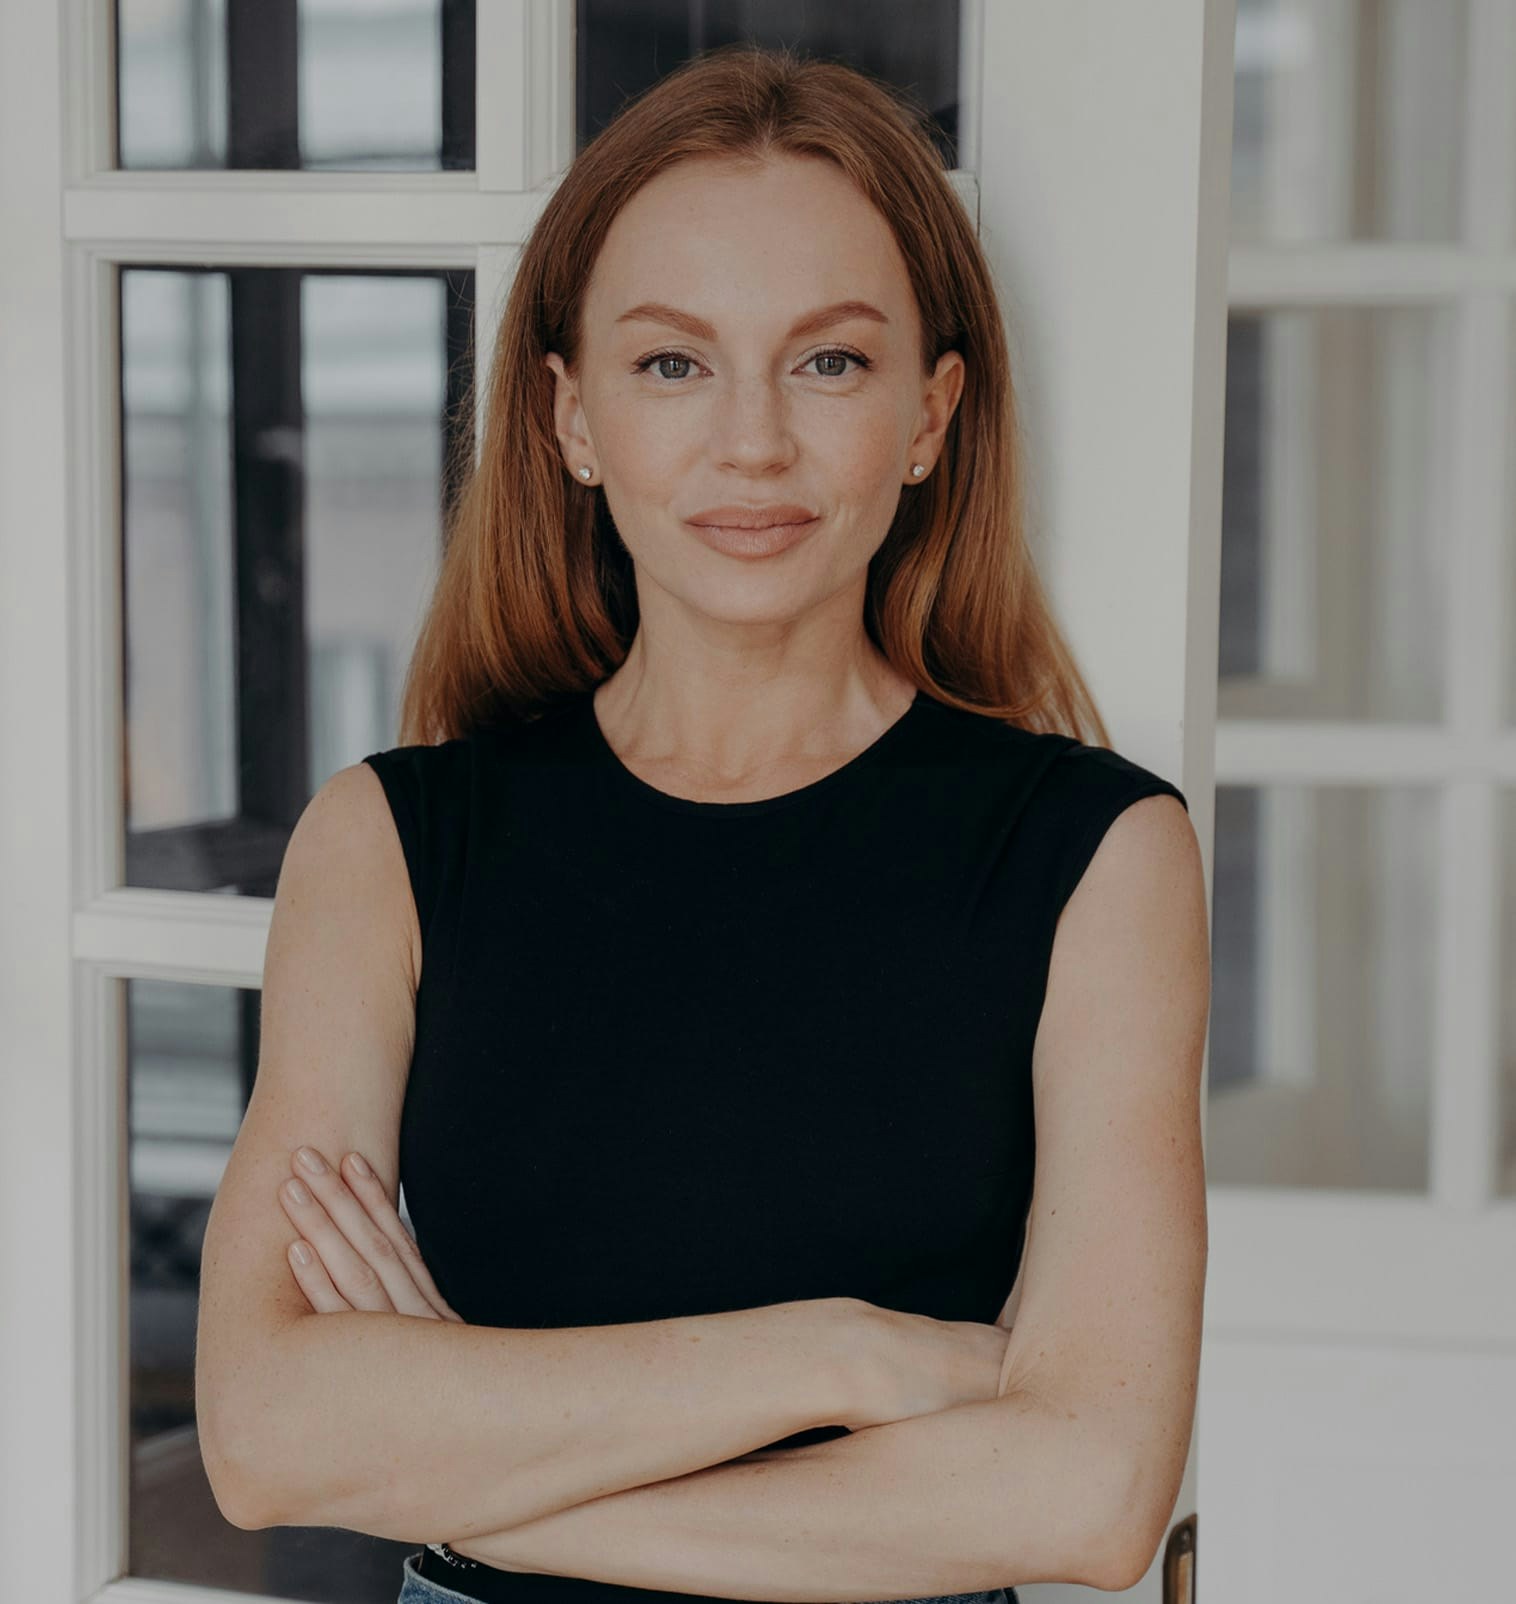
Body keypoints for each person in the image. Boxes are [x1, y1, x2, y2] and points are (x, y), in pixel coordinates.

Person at [193, 41, 1210, 1604]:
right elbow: (266, 1434)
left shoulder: (1097, 860)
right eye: (672, 364)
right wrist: (842, 1359)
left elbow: (1082, 1494)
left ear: (932, 416)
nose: (752, 444)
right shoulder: (392, 847)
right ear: (571, 418)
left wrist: (466, 1474)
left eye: (830, 363)